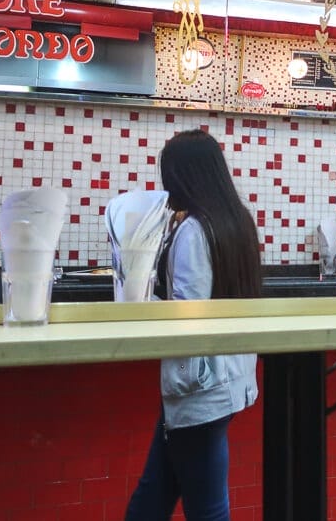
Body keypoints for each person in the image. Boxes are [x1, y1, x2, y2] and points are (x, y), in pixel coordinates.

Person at [125, 129, 262, 521]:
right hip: (228, 381)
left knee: (207, 511)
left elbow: (188, 314)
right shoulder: (237, 222)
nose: (166, 190)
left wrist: (137, 299)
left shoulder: (193, 231)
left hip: (198, 390)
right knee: (152, 499)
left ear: (185, 178)